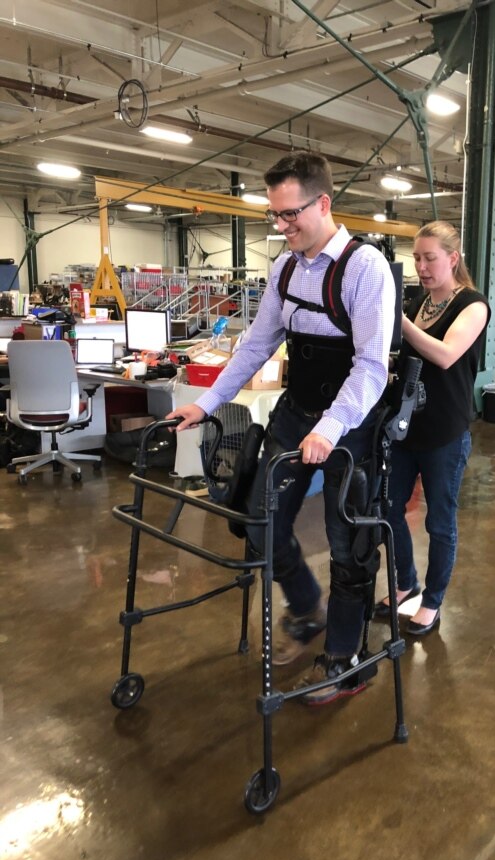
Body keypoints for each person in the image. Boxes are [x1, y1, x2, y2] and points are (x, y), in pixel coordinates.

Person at [168, 150, 395, 704]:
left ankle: (345, 659)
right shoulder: (286, 268)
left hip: (349, 428)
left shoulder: (365, 269)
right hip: (295, 414)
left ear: (323, 203)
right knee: (259, 521)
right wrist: (209, 400)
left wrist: (333, 426)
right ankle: (305, 605)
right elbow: (257, 344)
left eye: (291, 213)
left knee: (350, 543)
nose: (282, 225)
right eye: (275, 215)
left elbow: (371, 365)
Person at [375, 221, 490, 635]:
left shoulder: (473, 306)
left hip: (444, 432)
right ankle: (406, 582)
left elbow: (444, 355)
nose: (421, 267)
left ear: (453, 258)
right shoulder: (419, 303)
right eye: (417, 259)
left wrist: (397, 321)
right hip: (406, 428)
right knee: (389, 509)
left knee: (439, 522)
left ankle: (434, 599)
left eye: (430, 258)